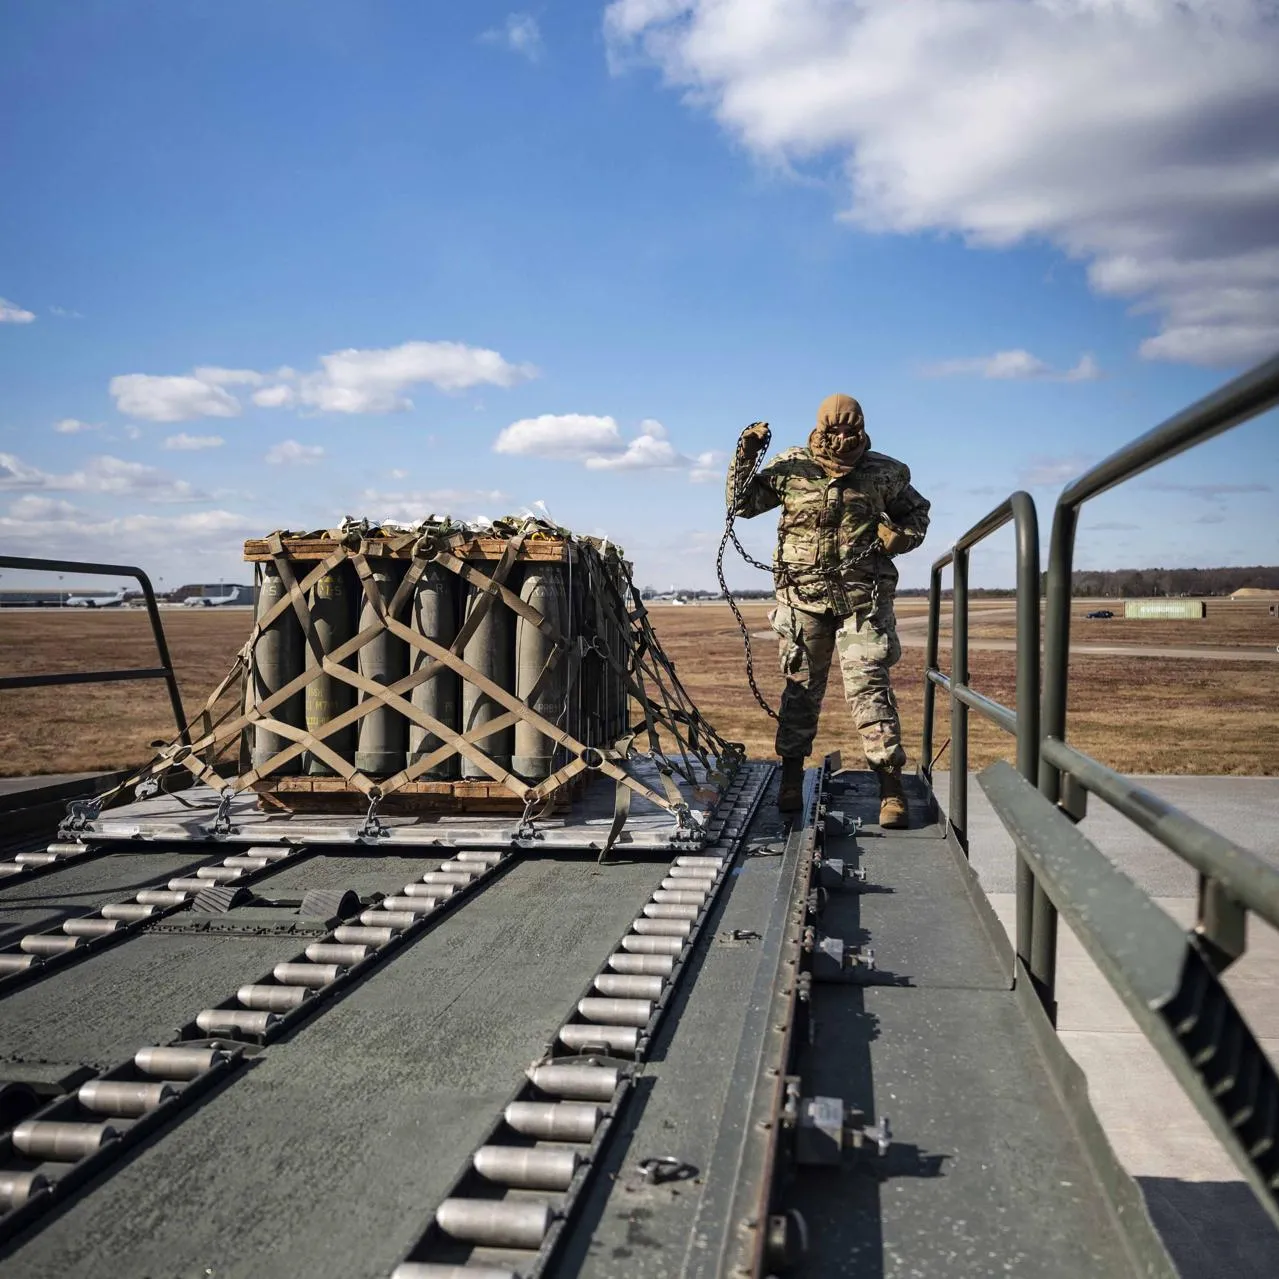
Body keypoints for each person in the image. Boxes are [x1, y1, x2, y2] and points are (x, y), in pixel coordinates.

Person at [726, 394, 930, 827]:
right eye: (832, 429)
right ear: (819, 428)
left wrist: (902, 537)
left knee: (870, 688)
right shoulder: (791, 467)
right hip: (803, 598)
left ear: (861, 428)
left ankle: (890, 788)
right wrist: (744, 457)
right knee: (800, 689)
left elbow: (917, 515)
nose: (841, 437)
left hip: (863, 599)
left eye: (850, 429)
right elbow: (742, 506)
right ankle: (790, 778)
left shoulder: (886, 472)